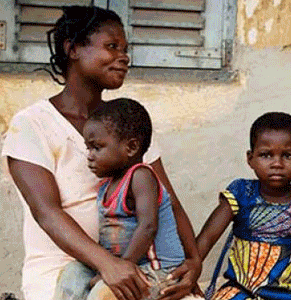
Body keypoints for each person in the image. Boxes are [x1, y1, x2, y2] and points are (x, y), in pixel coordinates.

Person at [1, 6, 201, 300]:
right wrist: (107, 264)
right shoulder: (32, 124)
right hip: (63, 271)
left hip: (138, 267)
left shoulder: (127, 126)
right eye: (111, 46)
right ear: (73, 48)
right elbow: (47, 212)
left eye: (125, 49)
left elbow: (167, 200)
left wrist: (193, 261)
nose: (124, 57)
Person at [53, 98, 203, 300]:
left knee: (104, 293)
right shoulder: (107, 185)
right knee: (72, 274)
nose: (89, 155)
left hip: (157, 271)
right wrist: (106, 269)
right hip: (126, 265)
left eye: (96, 148)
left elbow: (148, 226)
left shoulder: (141, 176)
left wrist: (119, 268)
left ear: (131, 148)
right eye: (88, 148)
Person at [195, 112, 291, 300]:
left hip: (288, 294)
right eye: (266, 155)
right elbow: (206, 239)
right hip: (241, 291)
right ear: (250, 158)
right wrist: (189, 275)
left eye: (287, 155)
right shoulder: (241, 193)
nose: (277, 163)